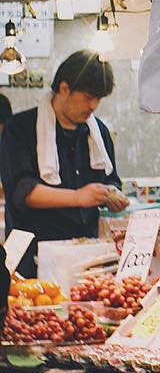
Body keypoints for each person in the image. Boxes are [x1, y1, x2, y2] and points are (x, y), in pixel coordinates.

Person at [0, 51, 127, 274]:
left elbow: (111, 180)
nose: (94, 106)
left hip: (86, 258)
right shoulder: (20, 128)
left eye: (99, 99)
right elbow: (22, 192)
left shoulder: (98, 133)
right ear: (65, 89)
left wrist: (112, 195)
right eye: (89, 97)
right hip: (33, 259)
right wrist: (78, 197)